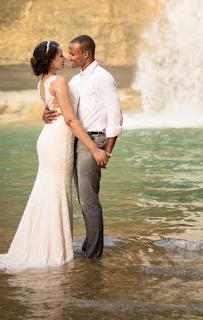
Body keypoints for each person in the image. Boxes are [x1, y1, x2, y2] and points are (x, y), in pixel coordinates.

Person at [0, 41, 109, 271]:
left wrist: (45, 115)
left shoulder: (42, 83)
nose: (64, 58)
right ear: (51, 59)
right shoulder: (59, 81)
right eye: (60, 55)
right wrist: (95, 149)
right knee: (55, 191)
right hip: (58, 141)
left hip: (48, 138)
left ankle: (45, 242)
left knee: (48, 189)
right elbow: (71, 119)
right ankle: (53, 248)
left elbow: (52, 109)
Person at [43, 34, 123, 260]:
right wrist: (46, 113)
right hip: (76, 140)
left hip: (94, 141)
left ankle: (94, 255)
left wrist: (107, 150)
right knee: (83, 199)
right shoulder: (76, 81)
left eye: (72, 53)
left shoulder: (103, 78)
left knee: (88, 200)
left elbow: (115, 117)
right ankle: (89, 245)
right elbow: (66, 111)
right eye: (67, 53)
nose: (69, 57)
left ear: (85, 54)